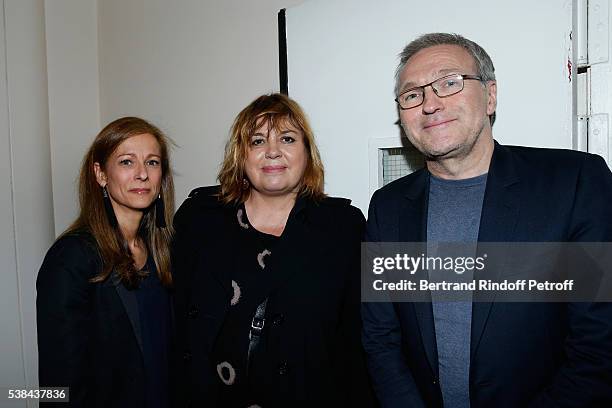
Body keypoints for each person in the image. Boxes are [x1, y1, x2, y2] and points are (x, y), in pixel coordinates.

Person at [362, 33, 612, 408]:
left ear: (490, 95)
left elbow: (599, 347)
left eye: (449, 83)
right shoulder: (389, 206)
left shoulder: (574, 183)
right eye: (412, 94)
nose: (430, 103)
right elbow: (381, 337)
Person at [172, 93, 375, 407]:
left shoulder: (344, 228)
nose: (272, 151)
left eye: (288, 138)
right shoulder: (198, 220)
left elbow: (360, 338)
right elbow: (176, 321)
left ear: (307, 154)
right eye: (257, 141)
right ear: (242, 156)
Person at [36, 117, 175, 408]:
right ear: (100, 174)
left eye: (152, 162)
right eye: (127, 162)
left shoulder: (162, 251)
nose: (142, 174)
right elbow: (59, 384)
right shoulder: (72, 257)